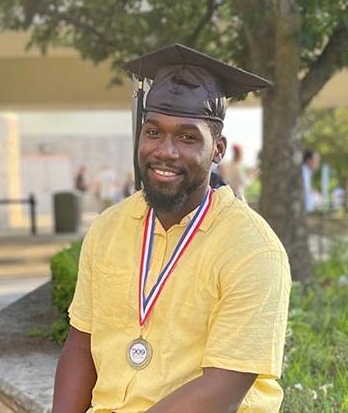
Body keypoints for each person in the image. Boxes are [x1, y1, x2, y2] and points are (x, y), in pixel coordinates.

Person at [53, 44, 291, 413]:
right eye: (153, 132)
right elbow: (82, 340)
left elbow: (223, 388)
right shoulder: (108, 228)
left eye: (187, 137)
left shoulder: (253, 251)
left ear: (217, 149)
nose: (165, 151)